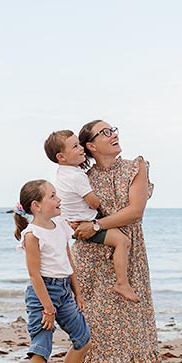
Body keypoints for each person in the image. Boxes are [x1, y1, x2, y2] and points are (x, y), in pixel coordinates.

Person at [70, 121, 169, 363]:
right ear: (90, 145)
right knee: (96, 320)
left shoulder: (136, 167)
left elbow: (135, 211)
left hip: (128, 249)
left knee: (137, 319)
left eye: (113, 129)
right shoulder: (81, 178)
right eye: (105, 132)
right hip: (91, 253)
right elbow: (70, 212)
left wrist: (97, 224)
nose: (114, 134)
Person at [13, 179, 90, 363]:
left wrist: (77, 292)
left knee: (83, 338)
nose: (59, 200)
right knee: (41, 348)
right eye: (53, 196)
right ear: (36, 205)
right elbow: (34, 274)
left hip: (64, 291)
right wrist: (48, 308)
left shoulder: (60, 225)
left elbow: (68, 259)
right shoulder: (32, 235)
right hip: (42, 295)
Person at [44, 129, 139, 303]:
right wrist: (100, 198)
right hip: (84, 223)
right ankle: (122, 283)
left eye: (79, 144)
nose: (81, 149)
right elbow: (94, 203)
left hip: (72, 222)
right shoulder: (77, 177)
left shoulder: (63, 173)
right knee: (122, 241)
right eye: (75, 146)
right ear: (61, 157)